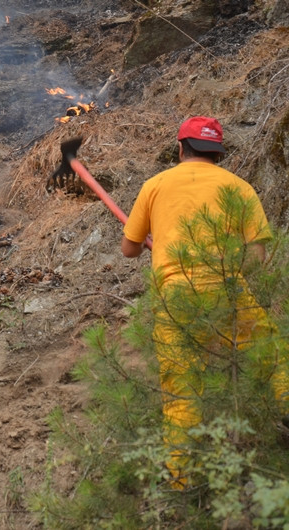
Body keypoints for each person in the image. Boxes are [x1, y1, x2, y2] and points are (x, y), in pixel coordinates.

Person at [121, 116, 289, 488]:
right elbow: (257, 260)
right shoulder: (239, 187)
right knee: (273, 357)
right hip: (229, 289)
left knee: (182, 390)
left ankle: (183, 483)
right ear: (218, 154)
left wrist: (157, 239)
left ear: (180, 148)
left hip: (175, 295)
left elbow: (129, 249)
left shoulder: (155, 185)